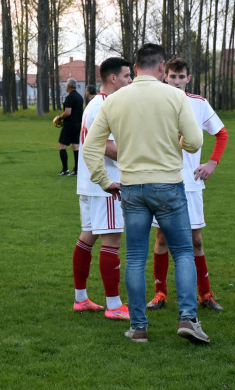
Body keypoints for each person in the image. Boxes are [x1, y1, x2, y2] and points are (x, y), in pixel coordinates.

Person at [83, 43, 206, 344]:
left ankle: (138, 326)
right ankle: (188, 318)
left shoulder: (114, 99)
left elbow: (90, 147)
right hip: (168, 185)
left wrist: (103, 181)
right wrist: (176, 140)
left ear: (135, 68)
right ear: (162, 67)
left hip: (132, 186)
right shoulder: (176, 96)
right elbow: (194, 142)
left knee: (136, 258)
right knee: (183, 253)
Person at [147, 58, 229, 312]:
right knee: (162, 239)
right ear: (165, 77)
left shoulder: (199, 104)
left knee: (195, 240)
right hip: (162, 180)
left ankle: (205, 294)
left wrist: (211, 163)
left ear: (189, 79)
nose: (177, 81)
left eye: (182, 77)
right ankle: (160, 293)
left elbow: (221, 134)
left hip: (191, 183)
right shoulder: (154, 101)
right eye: (173, 77)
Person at [73, 57, 133, 320]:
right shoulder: (104, 105)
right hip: (106, 184)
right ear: (113, 78)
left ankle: (81, 298)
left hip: (90, 183)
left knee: (88, 236)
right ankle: (114, 305)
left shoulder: (95, 103)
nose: (130, 80)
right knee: (112, 241)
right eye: (127, 76)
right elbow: (106, 146)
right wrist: (135, 159)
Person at [54, 78, 83, 176]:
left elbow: (68, 112)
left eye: (66, 84)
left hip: (69, 124)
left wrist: (59, 117)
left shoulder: (70, 97)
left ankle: (65, 169)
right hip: (78, 124)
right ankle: (77, 170)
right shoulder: (79, 97)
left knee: (61, 146)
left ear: (69, 86)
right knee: (75, 146)